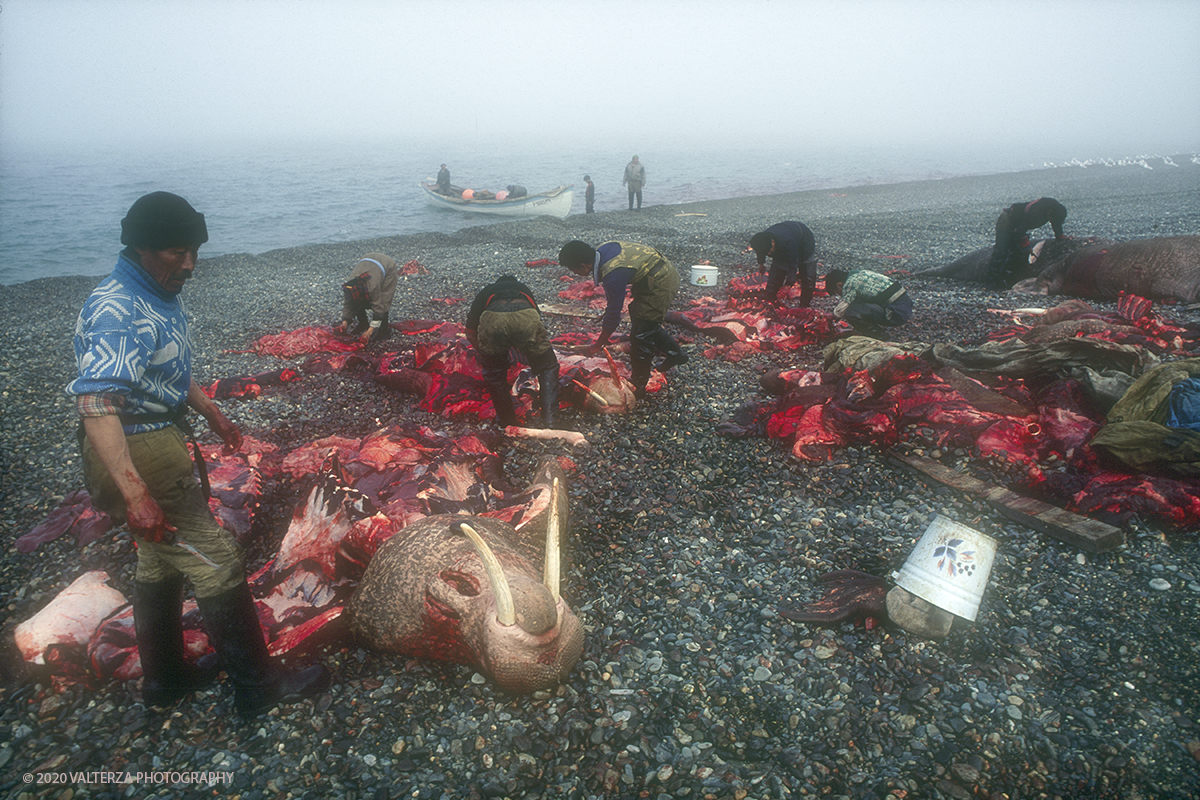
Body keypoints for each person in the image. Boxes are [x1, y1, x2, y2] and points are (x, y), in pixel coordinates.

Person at [66, 191, 329, 718]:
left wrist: (213, 414)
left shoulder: (155, 293)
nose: (188, 263)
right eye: (175, 252)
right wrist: (135, 494)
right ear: (141, 247)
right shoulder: (118, 308)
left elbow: (165, 370)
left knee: (157, 554)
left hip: (158, 433)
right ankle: (258, 686)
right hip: (136, 443)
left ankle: (165, 680)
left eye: (193, 251)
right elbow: (96, 404)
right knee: (216, 559)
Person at [557, 239, 687, 399]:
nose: (574, 274)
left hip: (661, 281)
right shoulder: (602, 251)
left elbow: (614, 313)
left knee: (641, 335)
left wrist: (598, 345)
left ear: (584, 265)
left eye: (573, 270)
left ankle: (638, 385)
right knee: (644, 321)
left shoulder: (613, 273)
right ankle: (676, 354)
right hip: (649, 277)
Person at [465, 275, 560, 427]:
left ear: (497, 285)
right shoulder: (523, 288)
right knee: (548, 367)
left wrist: (488, 356)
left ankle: (507, 421)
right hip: (525, 317)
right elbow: (535, 323)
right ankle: (550, 420)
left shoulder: (487, 291)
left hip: (493, 320)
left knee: (495, 376)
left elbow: (470, 333)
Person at [986, 197, 1068, 288]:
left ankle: (1006, 275)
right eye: (1051, 218)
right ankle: (992, 281)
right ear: (1049, 213)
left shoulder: (1054, 208)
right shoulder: (1036, 212)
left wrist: (1060, 236)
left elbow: (1055, 222)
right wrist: (1027, 247)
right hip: (1008, 221)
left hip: (1018, 225)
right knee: (1001, 251)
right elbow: (1019, 232)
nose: (1051, 221)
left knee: (1016, 252)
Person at [823, 268, 913, 340]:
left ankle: (882, 337)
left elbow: (841, 310)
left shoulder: (851, 282)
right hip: (903, 306)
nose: (840, 295)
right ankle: (869, 332)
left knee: (852, 311)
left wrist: (829, 319)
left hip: (897, 311)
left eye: (837, 292)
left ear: (839, 285)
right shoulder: (860, 274)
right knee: (857, 304)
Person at [749, 221, 818, 306]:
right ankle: (770, 301)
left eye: (770, 252)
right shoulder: (762, 240)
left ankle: (805, 304)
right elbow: (760, 251)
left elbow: (793, 263)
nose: (769, 254)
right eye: (768, 253)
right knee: (776, 272)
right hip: (785, 239)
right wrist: (761, 264)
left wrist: (789, 283)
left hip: (804, 241)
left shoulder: (787, 242)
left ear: (773, 242)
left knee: (807, 274)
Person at [335, 253, 398, 344]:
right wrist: (344, 324)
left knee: (384, 299)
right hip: (367, 260)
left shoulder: (372, 287)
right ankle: (363, 323)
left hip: (387, 265)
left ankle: (384, 330)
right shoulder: (349, 287)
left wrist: (369, 332)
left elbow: (378, 307)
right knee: (357, 301)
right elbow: (348, 304)